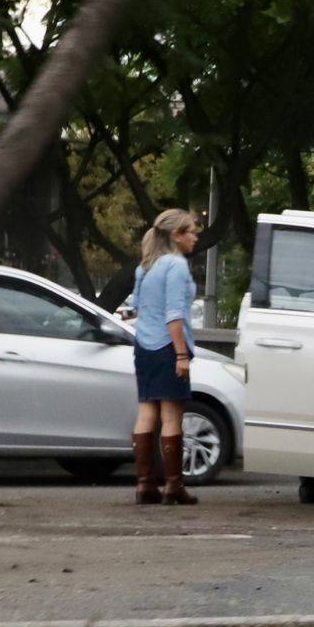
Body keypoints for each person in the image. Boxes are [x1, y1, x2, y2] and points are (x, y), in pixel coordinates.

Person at [131, 208, 202, 507]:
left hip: (143, 346)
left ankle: (145, 483)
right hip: (168, 346)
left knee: (146, 413)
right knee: (172, 416)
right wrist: (181, 354)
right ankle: (174, 485)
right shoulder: (175, 265)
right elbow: (174, 314)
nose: (195, 238)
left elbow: (137, 308)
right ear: (176, 235)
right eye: (191, 232)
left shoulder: (145, 267)